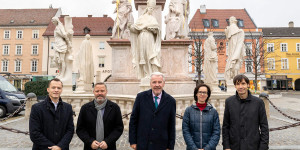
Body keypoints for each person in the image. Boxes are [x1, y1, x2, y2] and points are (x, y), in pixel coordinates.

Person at [129, 72, 176, 150]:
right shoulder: (140, 97)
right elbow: (133, 120)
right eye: (154, 82)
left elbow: (171, 125)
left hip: (162, 145)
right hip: (143, 144)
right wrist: (133, 141)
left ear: (163, 83)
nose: (157, 85)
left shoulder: (171, 101)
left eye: (159, 82)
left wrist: (170, 146)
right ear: (150, 83)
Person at [222, 74, 269, 150]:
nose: (240, 87)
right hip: (234, 145)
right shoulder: (229, 102)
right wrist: (226, 146)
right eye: (238, 84)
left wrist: (263, 146)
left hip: (253, 145)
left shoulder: (258, 102)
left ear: (248, 85)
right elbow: (226, 126)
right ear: (235, 86)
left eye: (243, 84)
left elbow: (264, 127)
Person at [29, 78, 74, 150]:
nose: (56, 90)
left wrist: (60, 146)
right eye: (53, 87)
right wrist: (52, 147)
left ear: (61, 90)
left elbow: (70, 130)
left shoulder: (68, 108)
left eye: (58, 88)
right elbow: (34, 133)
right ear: (48, 89)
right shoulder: (37, 108)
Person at [76, 82, 124, 150]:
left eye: (102, 91)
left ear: (106, 92)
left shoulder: (114, 108)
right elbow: (80, 129)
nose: (99, 93)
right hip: (90, 147)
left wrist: (108, 142)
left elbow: (118, 128)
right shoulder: (85, 108)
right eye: (97, 91)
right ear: (93, 92)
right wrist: (90, 142)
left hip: (109, 147)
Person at [129, 0, 161, 79]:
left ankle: (151, 73)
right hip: (142, 37)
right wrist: (130, 26)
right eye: (150, 8)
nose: (151, 10)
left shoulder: (153, 18)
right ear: (147, 8)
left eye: (152, 9)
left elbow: (157, 31)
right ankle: (145, 73)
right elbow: (135, 28)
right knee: (142, 55)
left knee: (149, 55)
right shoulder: (141, 18)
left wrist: (154, 30)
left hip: (150, 38)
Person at [182, 84, 220, 150]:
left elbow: (216, 132)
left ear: (208, 95)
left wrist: (207, 148)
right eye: (200, 92)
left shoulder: (213, 112)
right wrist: (194, 148)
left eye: (205, 92)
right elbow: (186, 131)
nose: (202, 94)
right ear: (196, 94)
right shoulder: (189, 111)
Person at [224, 16, 246, 83]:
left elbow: (229, 35)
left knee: (233, 60)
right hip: (234, 49)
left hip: (233, 49)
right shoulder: (233, 27)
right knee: (234, 58)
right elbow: (234, 40)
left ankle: (232, 75)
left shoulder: (232, 27)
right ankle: (233, 76)